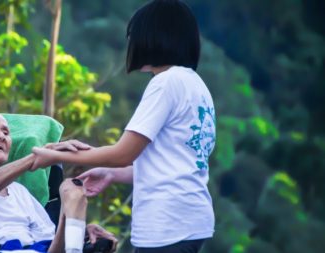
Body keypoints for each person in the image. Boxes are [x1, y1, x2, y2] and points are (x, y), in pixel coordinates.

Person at [31, 0, 216, 252]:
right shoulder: (196, 86)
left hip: (167, 224)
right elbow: (171, 165)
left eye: (135, 37)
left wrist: (53, 156)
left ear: (154, 37)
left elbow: (123, 153)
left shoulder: (166, 83)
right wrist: (111, 174)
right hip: (191, 218)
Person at [0, 109, 117, 253]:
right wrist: (38, 155)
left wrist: (77, 230)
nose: (1, 136)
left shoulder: (20, 192)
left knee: (70, 189)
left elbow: (52, 248)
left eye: (5, 132)